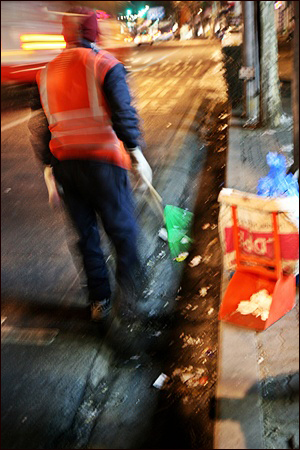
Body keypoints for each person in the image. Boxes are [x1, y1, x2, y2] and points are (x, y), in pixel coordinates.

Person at [28, 7, 152, 322]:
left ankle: (99, 301)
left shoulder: (44, 73)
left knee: (87, 237)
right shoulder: (106, 65)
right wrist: (136, 153)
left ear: (65, 36)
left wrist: (47, 171)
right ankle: (129, 298)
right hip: (104, 165)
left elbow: (42, 128)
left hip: (66, 167)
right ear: (94, 34)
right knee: (122, 231)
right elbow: (124, 114)